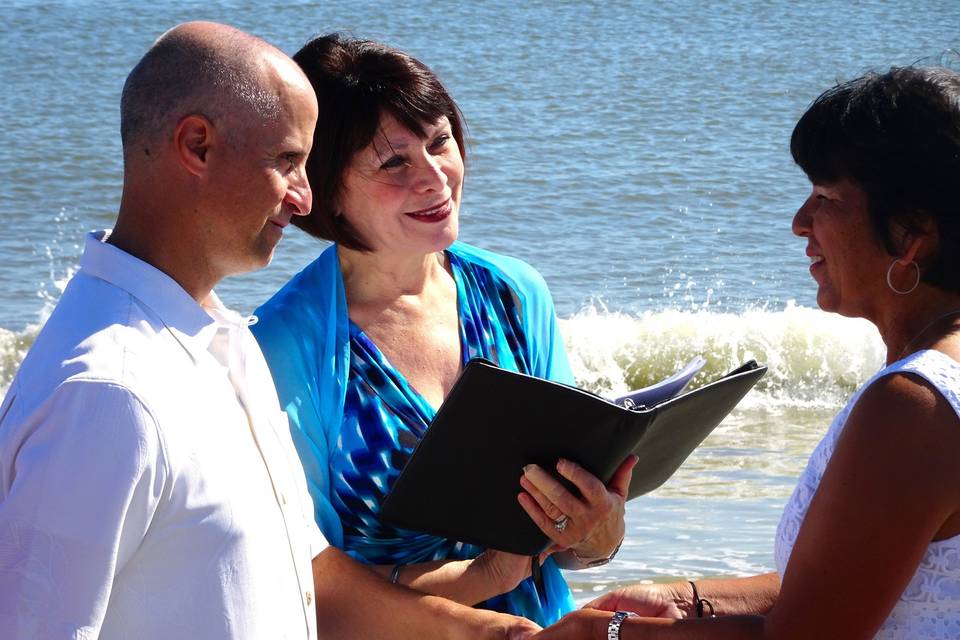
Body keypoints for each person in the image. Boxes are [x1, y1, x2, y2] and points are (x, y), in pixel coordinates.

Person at [0, 22, 539, 640]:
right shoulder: (109, 394)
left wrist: (515, 635)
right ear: (197, 147)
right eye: (288, 161)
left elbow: (312, 579)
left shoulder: (222, 341)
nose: (306, 200)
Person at [535, 66, 960, 640]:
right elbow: (859, 581)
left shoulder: (914, 405)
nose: (799, 224)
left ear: (911, 236)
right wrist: (687, 599)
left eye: (826, 198)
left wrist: (603, 634)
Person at [252, 33, 637, 628]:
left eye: (440, 142)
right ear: (327, 190)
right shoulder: (283, 345)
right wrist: (483, 578)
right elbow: (302, 584)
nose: (435, 178)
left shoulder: (514, 292)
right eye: (394, 162)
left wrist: (600, 531)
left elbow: (573, 536)